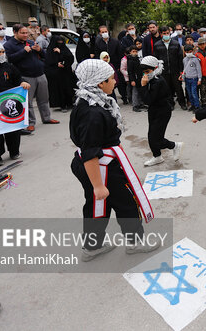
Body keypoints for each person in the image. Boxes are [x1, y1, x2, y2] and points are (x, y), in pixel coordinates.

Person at [70, 59, 158, 261]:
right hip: (101, 167)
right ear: (100, 83)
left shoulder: (88, 100)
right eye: (111, 79)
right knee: (125, 202)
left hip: (97, 164)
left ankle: (92, 247)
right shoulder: (92, 113)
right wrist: (98, 185)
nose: (115, 82)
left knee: (96, 206)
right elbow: (90, 151)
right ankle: (135, 242)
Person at [5, 24, 58, 133]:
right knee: (28, 102)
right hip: (25, 76)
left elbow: (44, 56)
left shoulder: (30, 42)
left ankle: (46, 118)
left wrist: (39, 50)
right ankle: (30, 122)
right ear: (15, 32)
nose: (25, 35)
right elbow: (10, 59)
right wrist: (23, 51)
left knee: (44, 98)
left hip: (40, 74)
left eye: (27, 33)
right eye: (23, 33)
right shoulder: (9, 45)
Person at [138, 56, 183, 166]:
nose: (145, 74)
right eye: (144, 72)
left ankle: (175, 145)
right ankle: (157, 156)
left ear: (155, 68)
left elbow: (148, 100)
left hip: (163, 111)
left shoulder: (158, 81)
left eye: (148, 71)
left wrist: (143, 86)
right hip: (154, 110)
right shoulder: (152, 78)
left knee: (156, 138)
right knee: (151, 136)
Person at [154, 26, 185, 110]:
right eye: (164, 33)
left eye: (167, 33)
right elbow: (156, 59)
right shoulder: (157, 45)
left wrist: (181, 70)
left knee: (178, 87)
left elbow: (180, 58)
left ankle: (182, 103)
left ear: (170, 33)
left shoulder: (176, 43)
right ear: (161, 34)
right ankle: (170, 103)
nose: (166, 35)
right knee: (167, 88)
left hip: (175, 69)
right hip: (164, 71)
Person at [95, 25, 126, 104]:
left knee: (119, 83)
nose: (105, 33)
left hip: (115, 66)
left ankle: (124, 97)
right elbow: (97, 54)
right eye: (103, 32)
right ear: (100, 33)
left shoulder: (115, 41)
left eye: (106, 31)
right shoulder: (98, 43)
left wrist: (119, 66)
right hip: (104, 67)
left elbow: (120, 54)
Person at [45, 35, 75, 112]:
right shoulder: (50, 50)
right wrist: (56, 64)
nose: (60, 43)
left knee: (68, 88)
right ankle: (62, 105)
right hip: (56, 74)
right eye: (58, 42)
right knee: (59, 90)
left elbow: (70, 57)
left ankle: (69, 103)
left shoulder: (64, 49)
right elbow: (48, 61)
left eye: (61, 42)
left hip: (66, 72)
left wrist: (61, 52)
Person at [181, 44, 202, 111]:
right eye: (187, 52)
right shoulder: (184, 59)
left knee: (194, 93)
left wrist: (199, 79)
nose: (188, 53)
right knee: (189, 93)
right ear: (185, 52)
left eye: (190, 51)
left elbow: (199, 69)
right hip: (187, 79)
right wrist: (182, 76)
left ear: (192, 51)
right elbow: (184, 69)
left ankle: (197, 106)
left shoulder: (195, 59)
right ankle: (192, 105)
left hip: (194, 79)